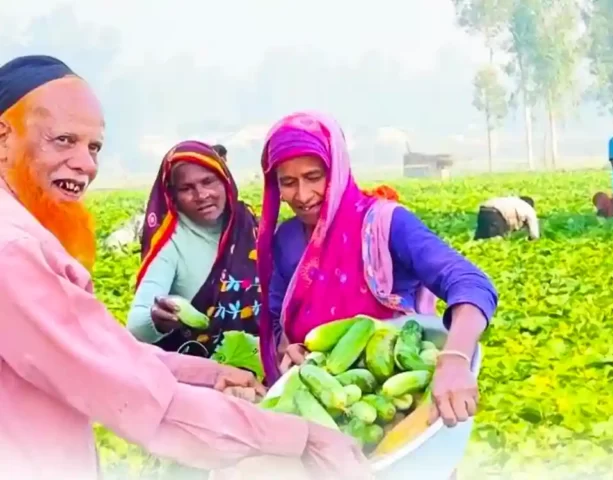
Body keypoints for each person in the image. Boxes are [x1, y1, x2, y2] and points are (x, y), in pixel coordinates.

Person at [0, 55, 369, 480]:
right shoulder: (14, 252)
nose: (87, 164)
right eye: (63, 140)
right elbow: (135, 395)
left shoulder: (258, 231)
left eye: (94, 146)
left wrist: (206, 373)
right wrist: (299, 438)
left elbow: (106, 353)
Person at [256, 111, 498, 433]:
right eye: (288, 183)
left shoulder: (385, 224)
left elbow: (471, 283)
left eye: (314, 177)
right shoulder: (285, 241)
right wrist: (289, 348)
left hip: (401, 407)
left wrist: (453, 358)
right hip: (331, 414)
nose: (302, 196)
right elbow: (275, 317)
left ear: (337, 171)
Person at [127, 140, 260, 358]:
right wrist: (157, 321)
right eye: (186, 188)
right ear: (173, 197)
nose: (201, 195)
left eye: (208, 181)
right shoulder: (172, 244)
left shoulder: (251, 227)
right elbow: (136, 326)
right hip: (200, 375)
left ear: (225, 180)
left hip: (259, 364)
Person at [473, 195, 540, 240]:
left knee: (481, 238)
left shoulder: (513, 201)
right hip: (496, 214)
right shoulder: (529, 209)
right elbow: (534, 235)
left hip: (483, 211)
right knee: (496, 240)